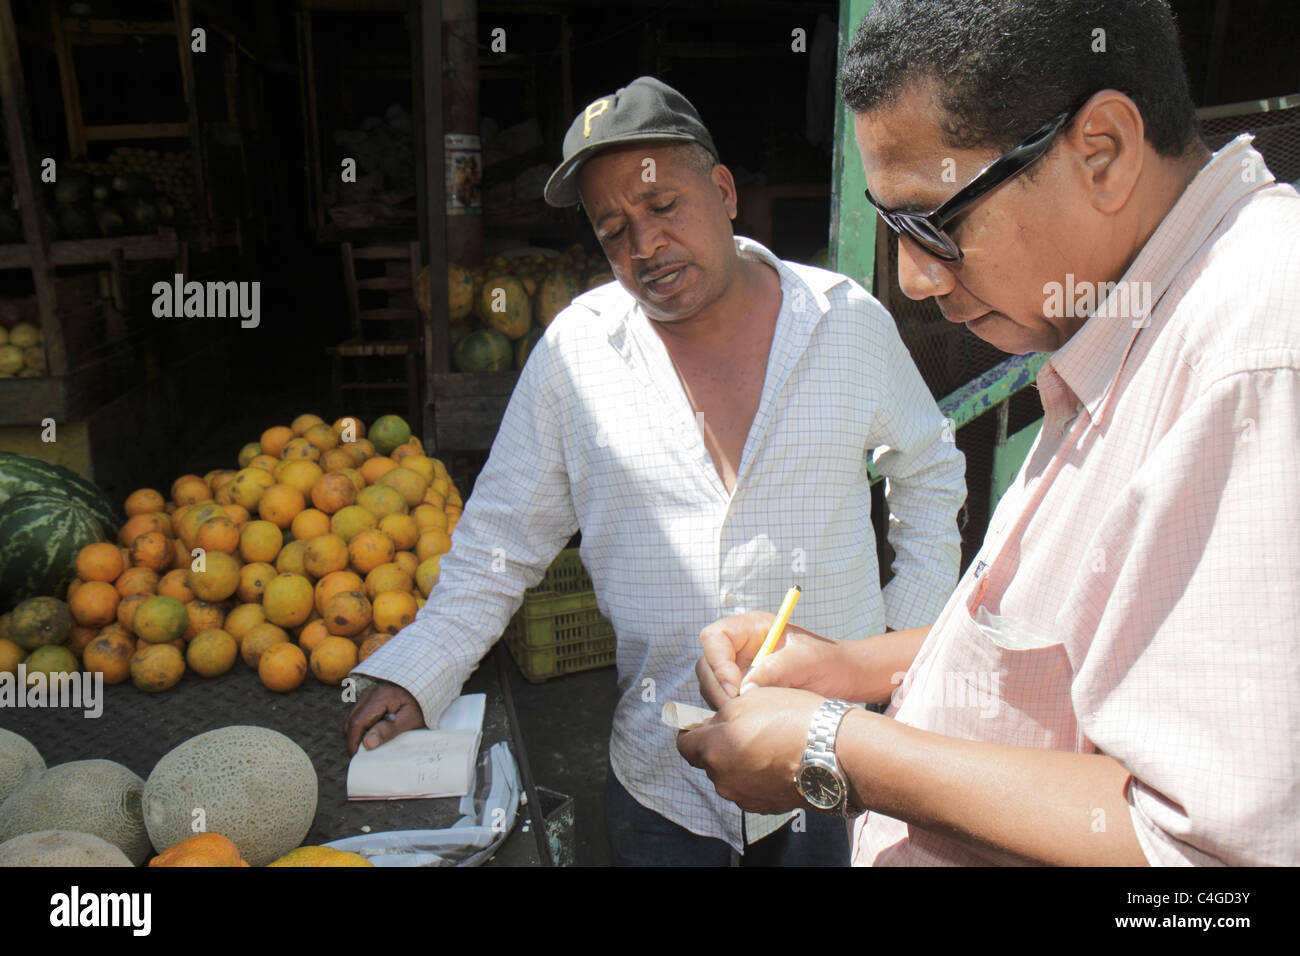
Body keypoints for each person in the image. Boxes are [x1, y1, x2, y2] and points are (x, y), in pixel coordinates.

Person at [679, 0, 1299, 866]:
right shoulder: (1127, 317)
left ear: (1103, 152)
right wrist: (854, 672)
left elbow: (1203, 858)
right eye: (891, 227)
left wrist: (836, 749)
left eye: (934, 223)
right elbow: (1085, 649)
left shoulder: (1257, 353)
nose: (914, 276)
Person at [344, 76, 967, 866]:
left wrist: (896, 645)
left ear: (724, 190)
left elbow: (929, 468)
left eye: (663, 207)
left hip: (830, 761)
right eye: (614, 230)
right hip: (665, 782)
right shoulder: (577, 357)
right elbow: (498, 545)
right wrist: (415, 672)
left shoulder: (844, 323)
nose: (644, 247)